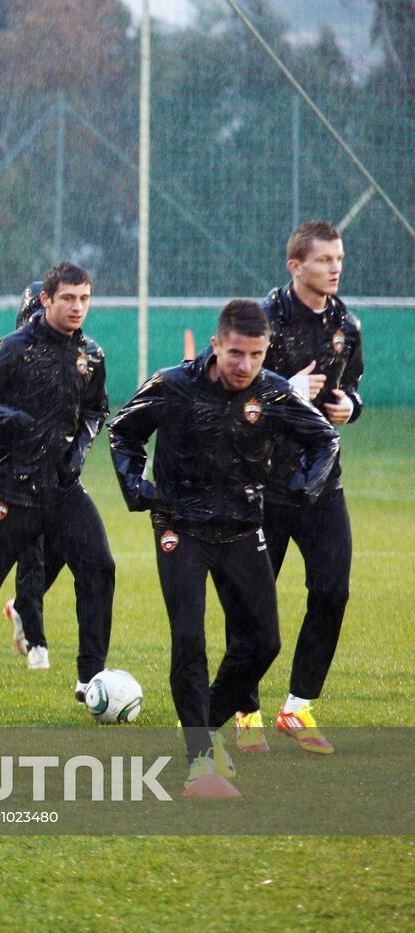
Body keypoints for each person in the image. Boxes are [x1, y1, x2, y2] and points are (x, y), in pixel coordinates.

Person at [109, 299, 339, 791]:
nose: (245, 365)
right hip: (180, 527)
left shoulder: (274, 394)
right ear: (216, 345)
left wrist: (303, 487)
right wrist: (137, 489)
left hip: (242, 527)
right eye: (236, 353)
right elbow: (123, 430)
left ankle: (206, 724)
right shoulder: (173, 385)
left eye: (256, 354)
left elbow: (325, 439)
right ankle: (199, 762)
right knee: (189, 640)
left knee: (264, 642)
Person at [0, 262, 114, 719]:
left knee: (99, 567)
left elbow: (97, 410)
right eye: (68, 298)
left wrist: (80, 451)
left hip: (63, 489)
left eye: (84, 298)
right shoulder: (14, 348)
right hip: (10, 490)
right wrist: (7, 419)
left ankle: (91, 678)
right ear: (46, 299)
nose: (77, 307)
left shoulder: (91, 354)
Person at [229, 221, 364, 755]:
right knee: (253, 605)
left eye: (339, 258)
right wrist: (286, 389)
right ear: (295, 265)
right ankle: (244, 709)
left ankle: (298, 706)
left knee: (332, 592)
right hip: (263, 485)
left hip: (322, 483)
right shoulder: (262, 322)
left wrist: (350, 406)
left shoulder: (346, 324)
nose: (335, 267)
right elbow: (233, 395)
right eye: (325, 259)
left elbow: (352, 384)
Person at [0, 281, 52, 668]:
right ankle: (36, 642)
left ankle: (21, 610)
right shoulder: (12, 354)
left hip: (57, 476)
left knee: (75, 551)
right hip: (14, 478)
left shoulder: (74, 355)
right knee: (26, 555)